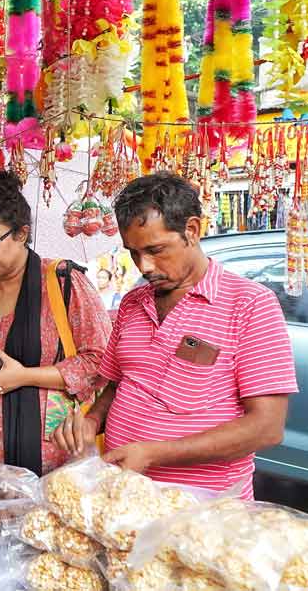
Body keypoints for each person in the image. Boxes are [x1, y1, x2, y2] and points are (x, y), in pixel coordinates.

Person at [54, 173, 298, 498]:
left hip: (202, 511)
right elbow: (118, 384)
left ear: (192, 230)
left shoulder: (251, 305)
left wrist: (155, 452)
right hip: (124, 499)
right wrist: (91, 421)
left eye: (156, 249)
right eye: (133, 252)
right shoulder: (132, 302)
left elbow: (266, 428)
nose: (144, 266)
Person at [0, 172, 113, 475]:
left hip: (56, 457)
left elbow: (101, 362)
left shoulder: (64, 283)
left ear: (21, 234)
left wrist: (23, 376)